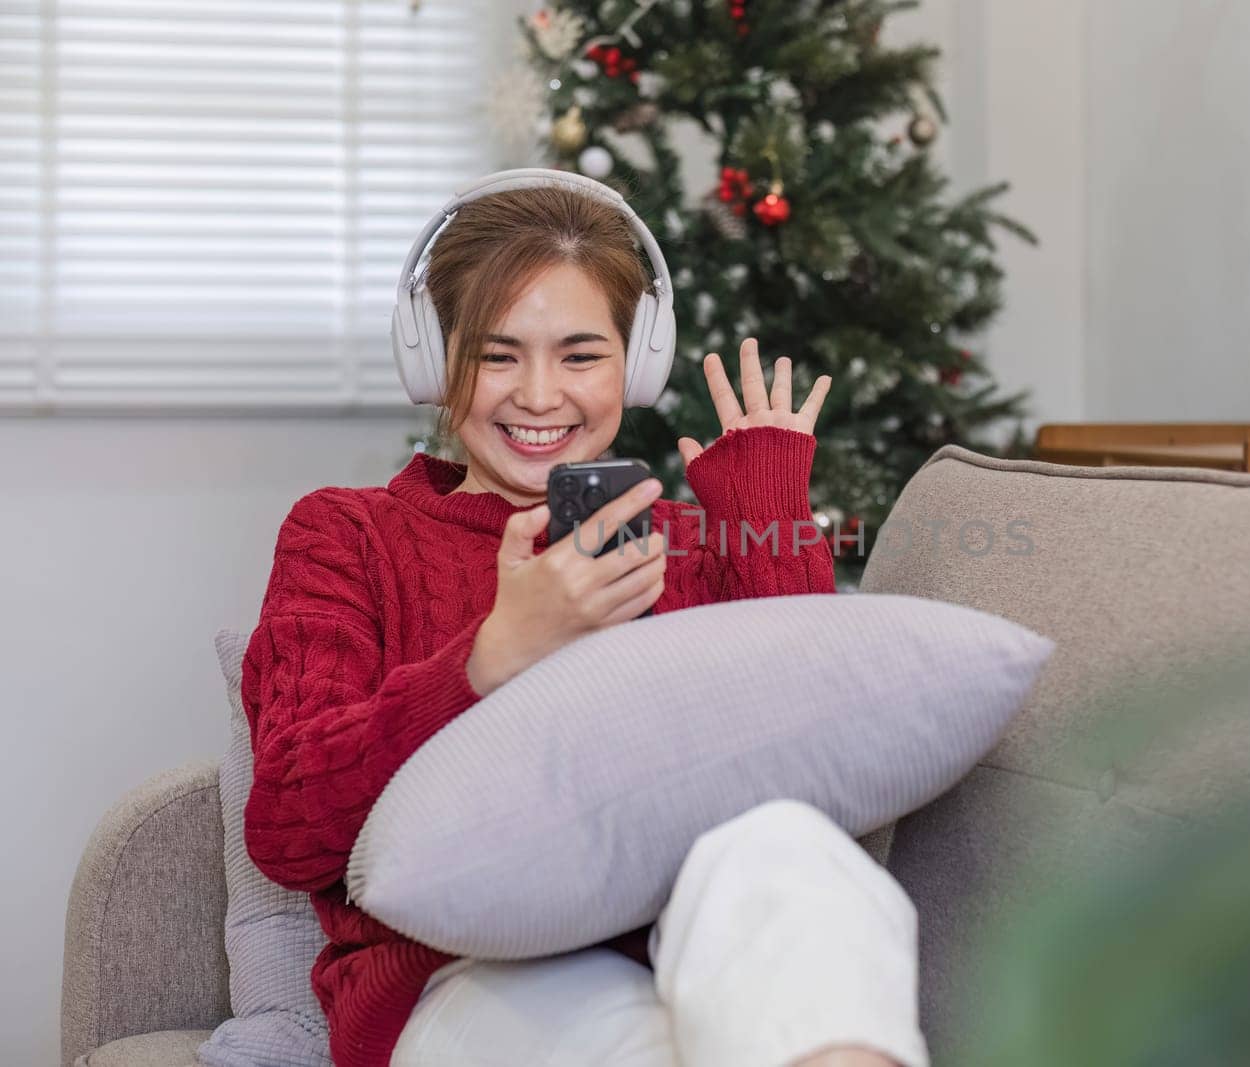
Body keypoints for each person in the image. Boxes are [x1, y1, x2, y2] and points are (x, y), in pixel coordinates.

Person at [240, 177, 930, 1067]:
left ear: (636, 365)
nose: (537, 395)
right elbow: (289, 824)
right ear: (433, 359)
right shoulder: (348, 533)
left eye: (579, 355)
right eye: (496, 356)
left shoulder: (681, 542)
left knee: (791, 849)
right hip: (468, 968)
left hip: (682, 936)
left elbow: (806, 747)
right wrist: (490, 658)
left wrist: (768, 511)